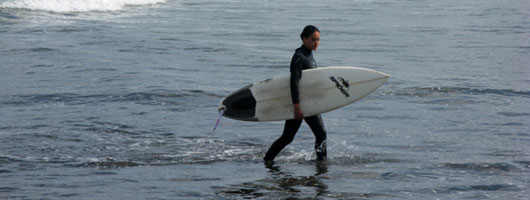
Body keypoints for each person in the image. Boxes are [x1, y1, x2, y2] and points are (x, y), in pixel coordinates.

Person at [264, 25, 327, 162]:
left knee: (319, 134)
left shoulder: (309, 55)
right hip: (300, 104)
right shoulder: (299, 57)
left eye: (318, 40)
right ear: (304, 38)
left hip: (309, 103)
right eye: (313, 40)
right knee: (289, 137)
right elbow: (294, 82)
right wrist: (296, 106)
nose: (316, 43)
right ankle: (267, 159)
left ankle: (321, 162)